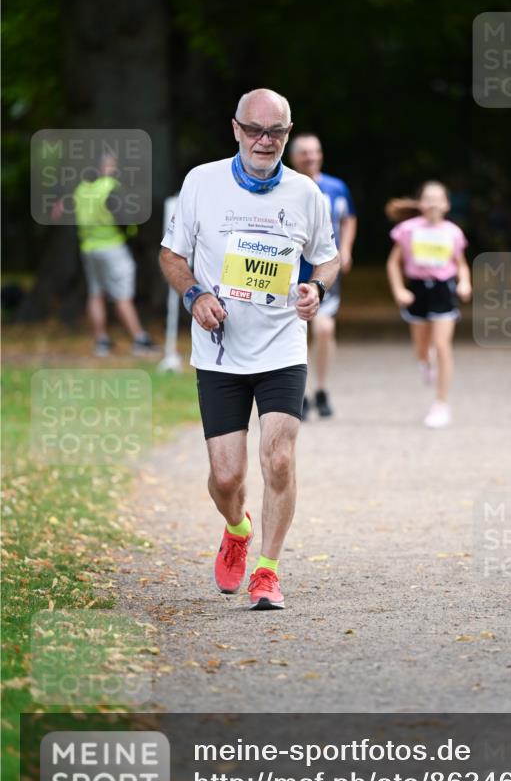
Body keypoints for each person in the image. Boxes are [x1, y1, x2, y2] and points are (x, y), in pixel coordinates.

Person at [159, 89, 339, 610]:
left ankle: (267, 571)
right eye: (255, 129)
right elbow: (172, 255)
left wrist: (317, 288)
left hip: (282, 346)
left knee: (278, 459)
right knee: (226, 477)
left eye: (276, 131)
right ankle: (237, 527)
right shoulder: (202, 182)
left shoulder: (306, 193)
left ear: (288, 133)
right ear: (236, 129)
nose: (265, 140)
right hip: (220, 349)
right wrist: (195, 295)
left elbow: (327, 258)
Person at [53, 152, 158, 357]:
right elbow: (124, 218)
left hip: (89, 248)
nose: (114, 169)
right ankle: (139, 339)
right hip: (112, 247)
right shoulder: (110, 187)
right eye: (111, 165)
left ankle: (101, 341)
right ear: (102, 167)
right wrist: (132, 233)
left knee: (96, 294)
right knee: (123, 296)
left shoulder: (81, 189)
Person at [386, 180, 471, 428]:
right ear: (420, 203)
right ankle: (425, 362)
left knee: (442, 345)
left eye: (438, 198)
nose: (433, 203)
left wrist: (465, 283)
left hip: (443, 289)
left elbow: (461, 264)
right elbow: (393, 263)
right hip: (418, 290)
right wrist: (399, 290)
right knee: (422, 349)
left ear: (447, 205)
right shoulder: (407, 229)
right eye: (428, 198)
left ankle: (441, 404)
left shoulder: (453, 232)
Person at [289, 133, 357, 418]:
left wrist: (346, 249)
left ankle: (322, 389)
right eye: (305, 152)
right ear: (293, 156)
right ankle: (300, 394)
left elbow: (348, 218)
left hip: (324, 270)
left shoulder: (336, 187)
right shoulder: (284, 186)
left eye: (315, 151)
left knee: (324, 330)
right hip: (292, 270)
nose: (311, 157)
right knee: (295, 332)